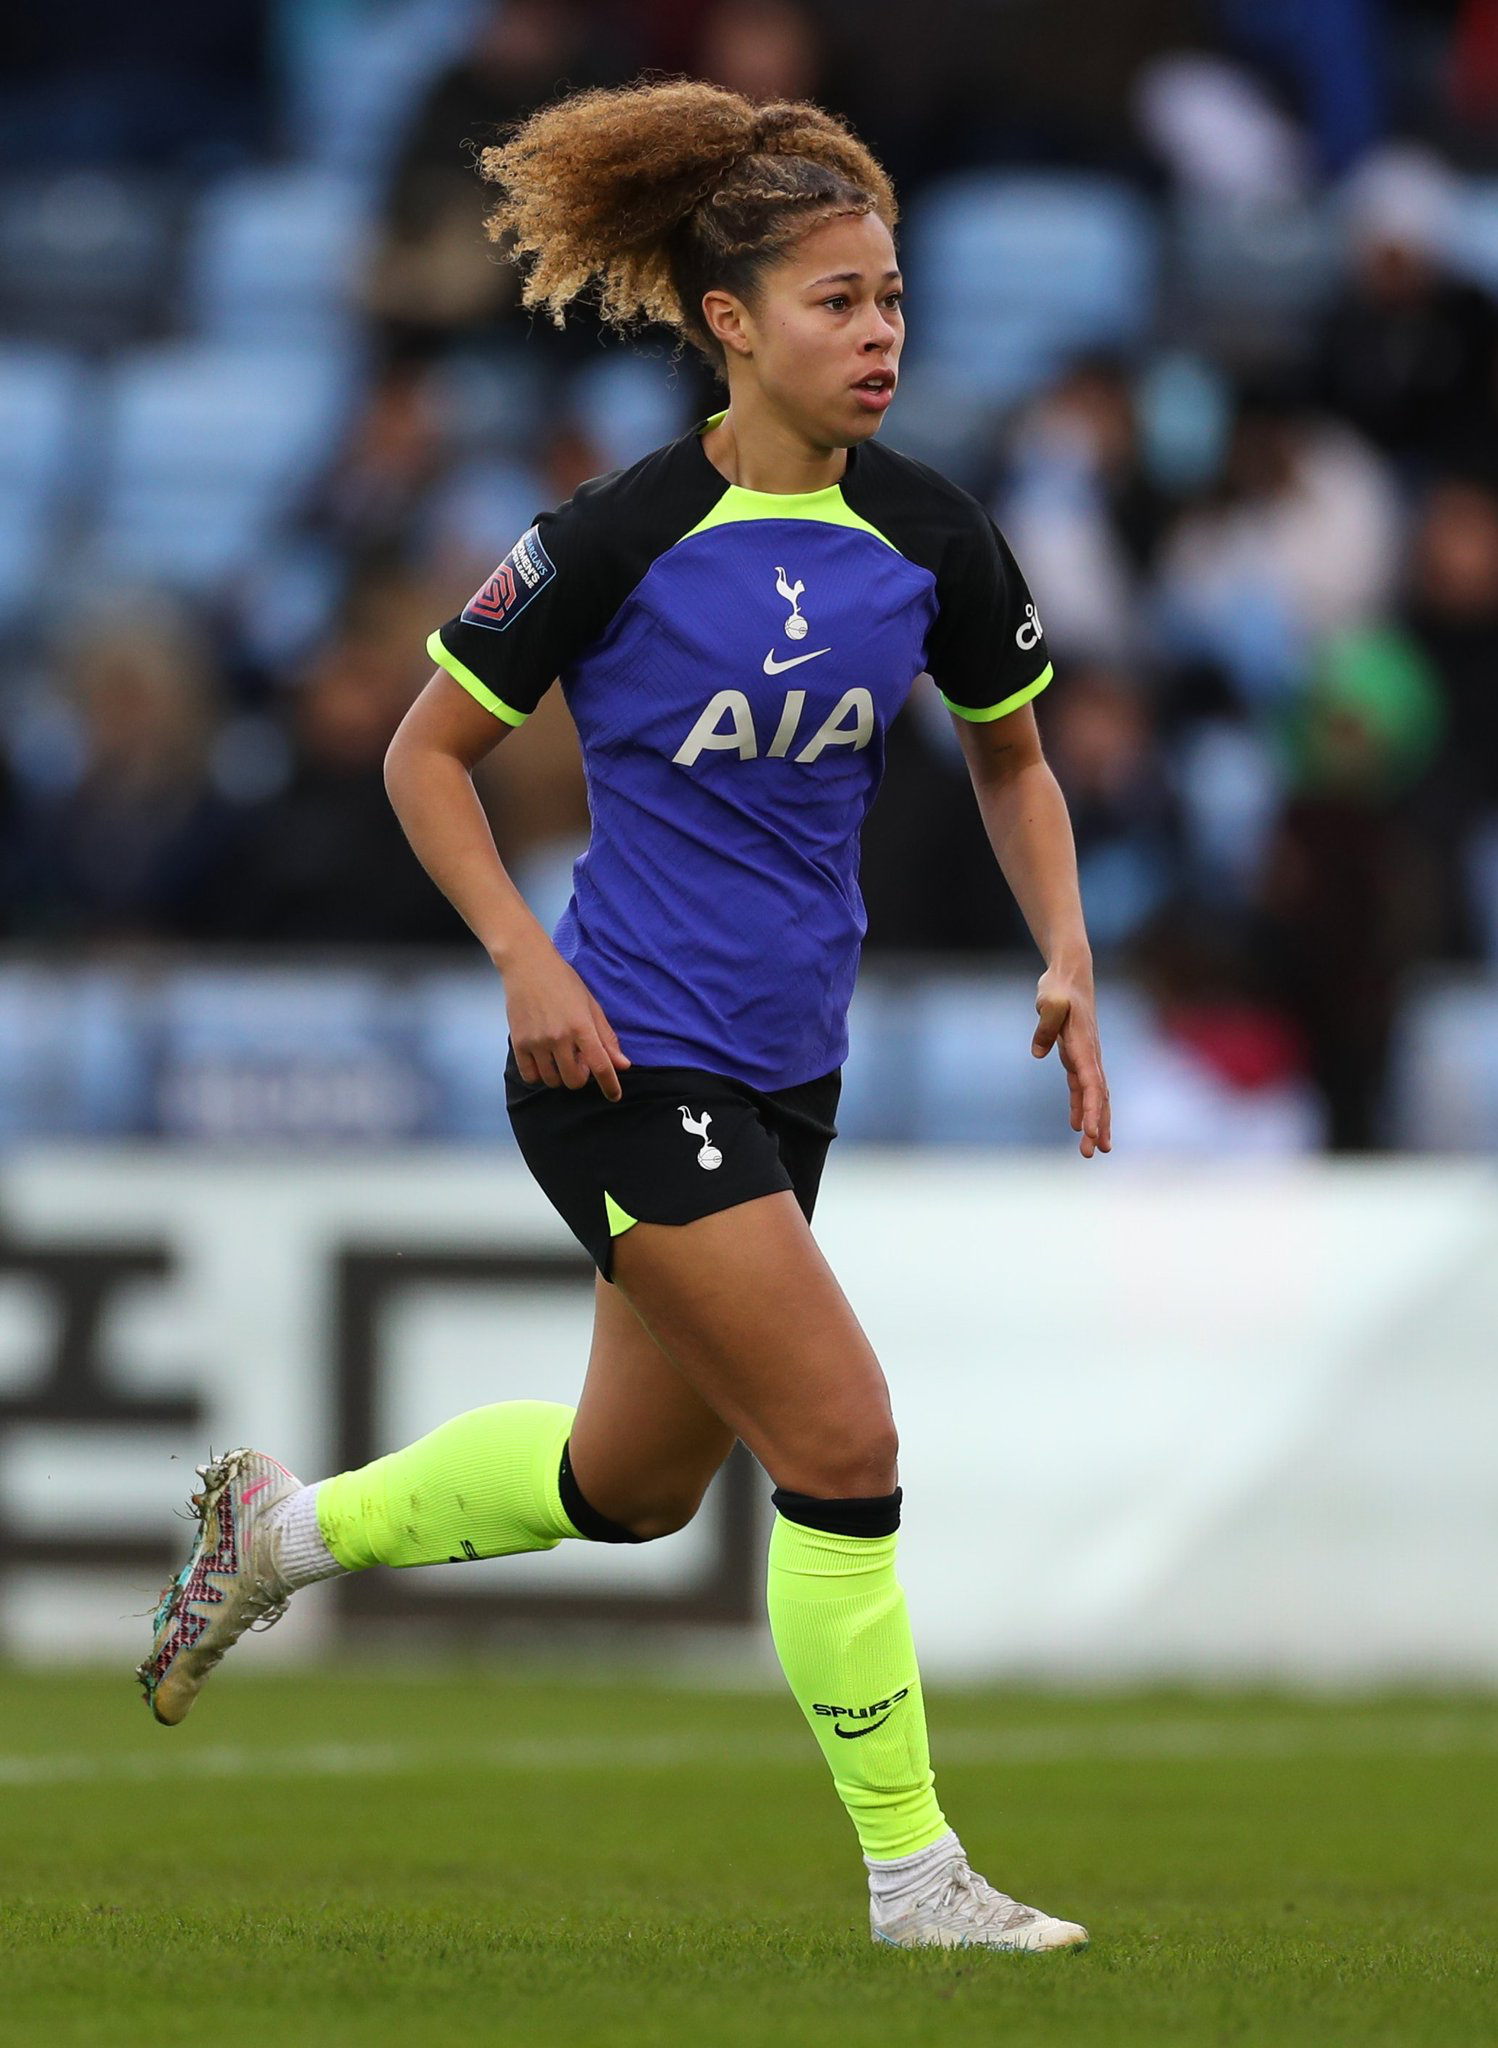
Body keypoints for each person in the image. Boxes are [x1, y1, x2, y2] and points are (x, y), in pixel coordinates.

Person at [137, 79, 1111, 1952]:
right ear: (730, 325)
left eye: (893, 296)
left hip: (783, 1070)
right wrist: (524, 957)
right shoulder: (610, 536)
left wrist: (1062, 948)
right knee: (841, 1439)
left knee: (630, 1488)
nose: (882, 331)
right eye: (838, 301)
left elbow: (1014, 762)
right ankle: (916, 1880)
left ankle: (286, 1533)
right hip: (615, 1056)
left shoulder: (929, 534)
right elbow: (429, 758)